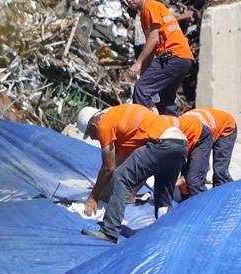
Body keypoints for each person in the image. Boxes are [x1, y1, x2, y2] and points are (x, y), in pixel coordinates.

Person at [75, 103, 185, 243]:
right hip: (180, 143)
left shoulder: (103, 123)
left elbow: (109, 168)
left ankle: (109, 231)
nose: (93, 139)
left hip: (162, 142)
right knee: (163, 196)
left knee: (121, 177)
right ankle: (168, 238)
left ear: (93, 126)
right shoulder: (121, 118)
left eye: (90, 135)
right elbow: (141, 167)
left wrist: (94, 196)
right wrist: (132, 192)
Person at [118, 0, 196, 115]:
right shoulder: (149, 10)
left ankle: (141, 131)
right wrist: (143, 73)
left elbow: (152, 40)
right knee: (165, 100)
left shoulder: (149, 7)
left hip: (172, 56)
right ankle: (173, 133)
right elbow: (152, 48)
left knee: (142, 89)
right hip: (183, 58)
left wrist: (138, 63)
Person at [175, 106, 238, 199]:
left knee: (220, 172)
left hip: (226, 127)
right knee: (190, 178)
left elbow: (199, 165)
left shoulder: (192, 137)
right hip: (204, 126)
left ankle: (223, 199)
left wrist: (190, 176)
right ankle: (188, 201)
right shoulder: (178, 137)